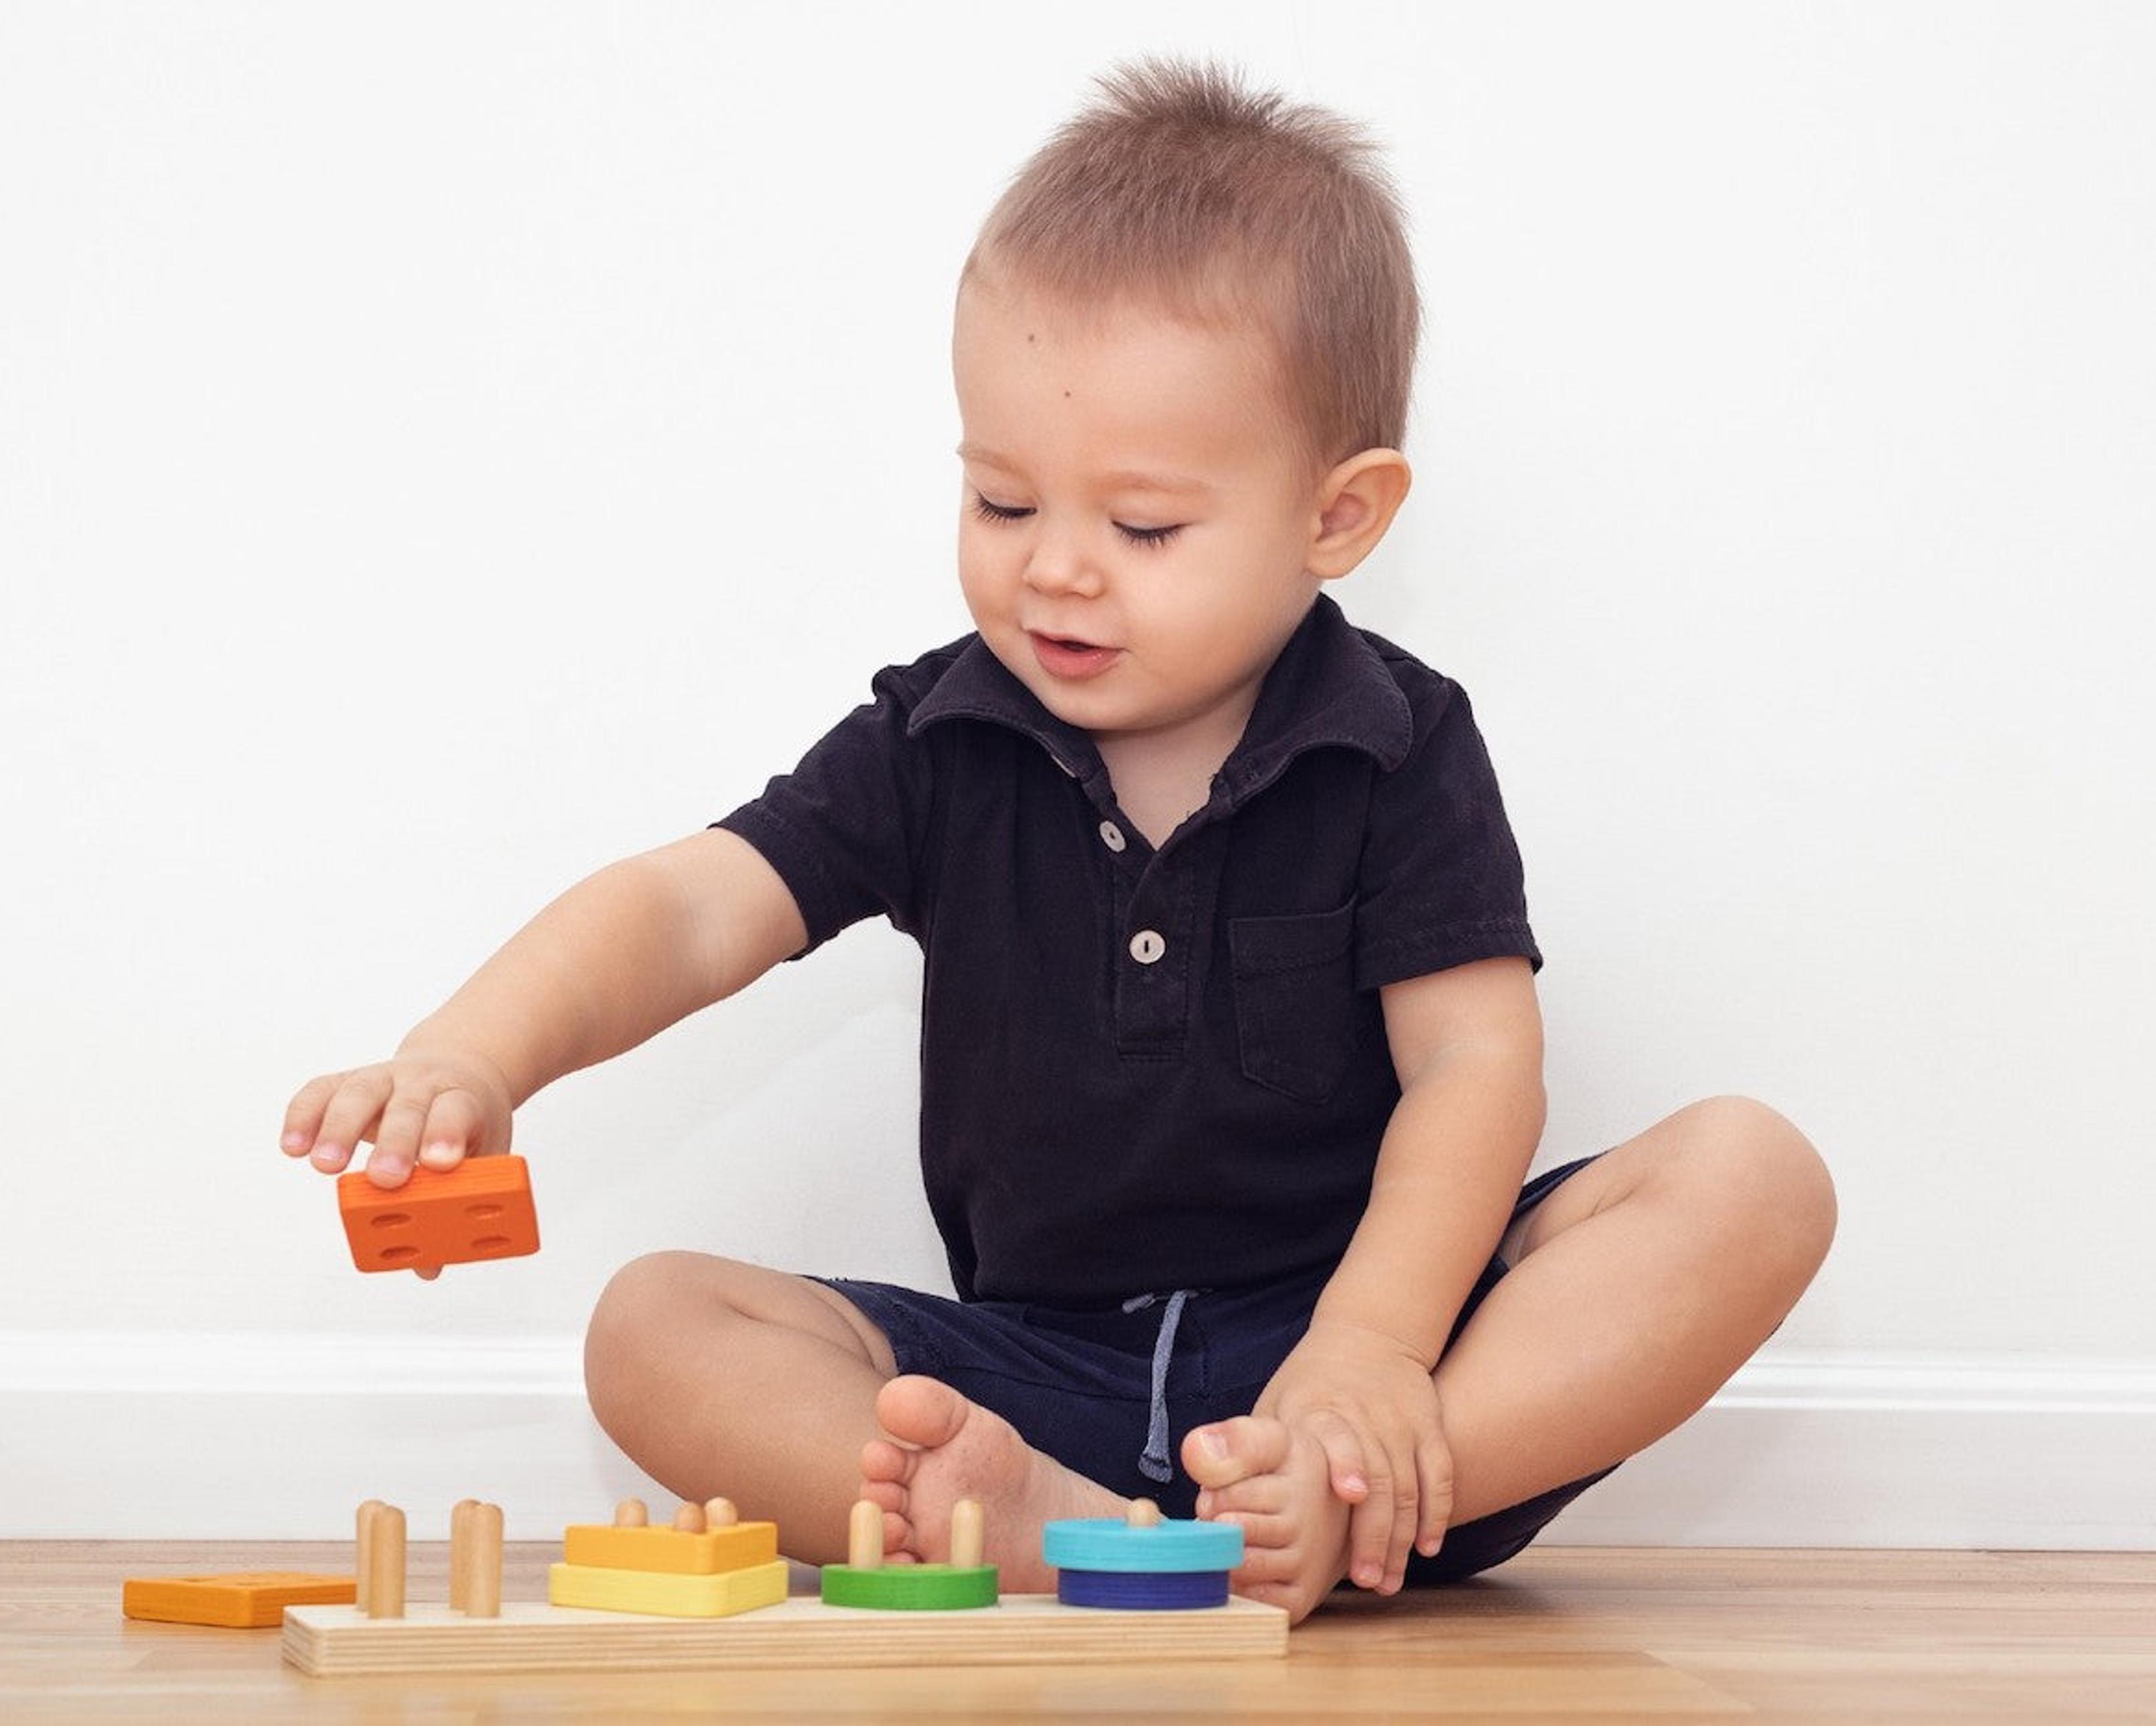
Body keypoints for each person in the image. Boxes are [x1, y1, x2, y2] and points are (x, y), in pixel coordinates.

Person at [279, 57, 1836, 1623]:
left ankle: (1321, 1504)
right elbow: (691, 906)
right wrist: (474, 1049)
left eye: (1143, 526)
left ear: (1339, 517)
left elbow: (1473, 1071)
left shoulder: (1397, 744)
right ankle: (1054, 1524)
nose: (1057, 574)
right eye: (1005, 502)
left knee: (1750, 1176)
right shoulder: (939, 738)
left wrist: (1365, 1355)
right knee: (653, 1322)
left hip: (1362, 1362)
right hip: (1044, 1382)